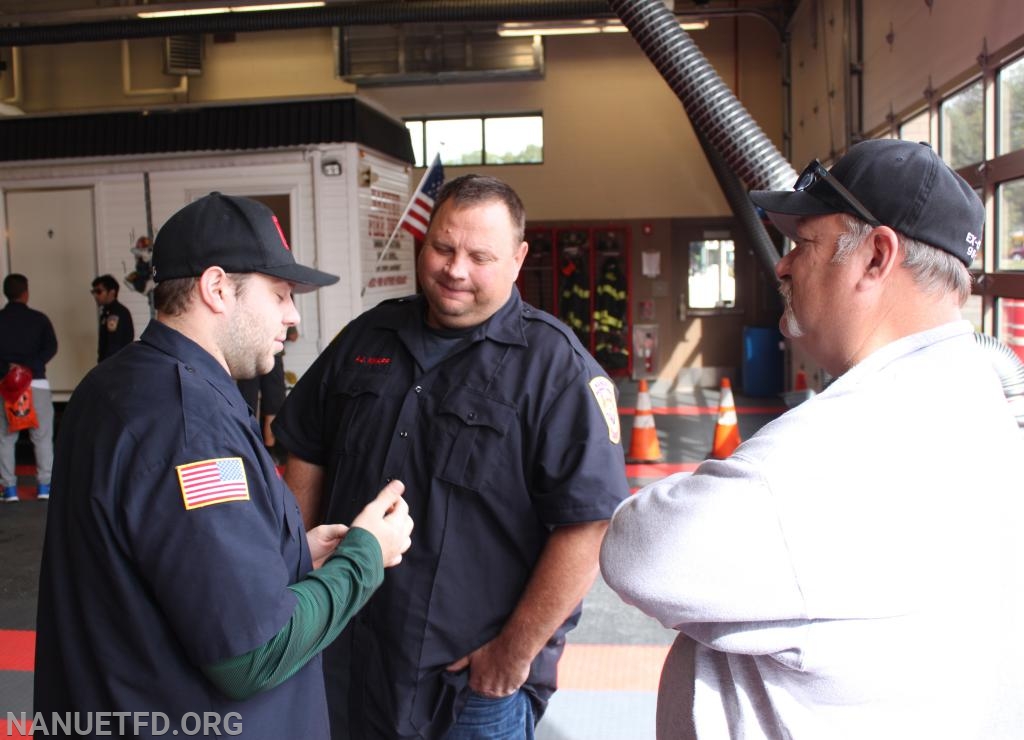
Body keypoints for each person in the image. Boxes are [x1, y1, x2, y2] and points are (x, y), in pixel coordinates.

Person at [600, 139, 1024, 739]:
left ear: (877, 257)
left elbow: (635, 551)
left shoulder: (842, 450)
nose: (783, 263)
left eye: (804, 242)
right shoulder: (981, 408)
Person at [34, 192, 414, 739]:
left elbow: (155, 558)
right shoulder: (192, 425)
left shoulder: (115, 385)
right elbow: (251, 655)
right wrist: (364, 558)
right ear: (217, 288)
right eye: (280, 293)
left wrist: (287, 556)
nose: (293, 315)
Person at [273, 174, 630, 739]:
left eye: (479, 256)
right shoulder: (367, 339)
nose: (455, 269)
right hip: (342, 665)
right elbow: (307, 456)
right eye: (443, 247)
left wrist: (513, 655)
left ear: (517, 260)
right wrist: (292, 590)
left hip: (463, 692)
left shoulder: (556, 370)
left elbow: (587, 526)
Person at [0, 273, 57, 503]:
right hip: (37, 383)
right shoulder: (39, 319)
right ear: (26, 293)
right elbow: (51, 347)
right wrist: (31, 366)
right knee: (42, 437)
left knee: (5, 437)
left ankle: (9, 489)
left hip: (6, 385)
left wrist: (8, 368)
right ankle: (45, 486)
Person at [91, 273, 135, 362]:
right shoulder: (107, 312)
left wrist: (106, 369)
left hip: (116, 366)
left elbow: (114, 345)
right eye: (93, 292)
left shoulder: (117, 313)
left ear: (112, 292)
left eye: (99, 291)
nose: (96, 296)